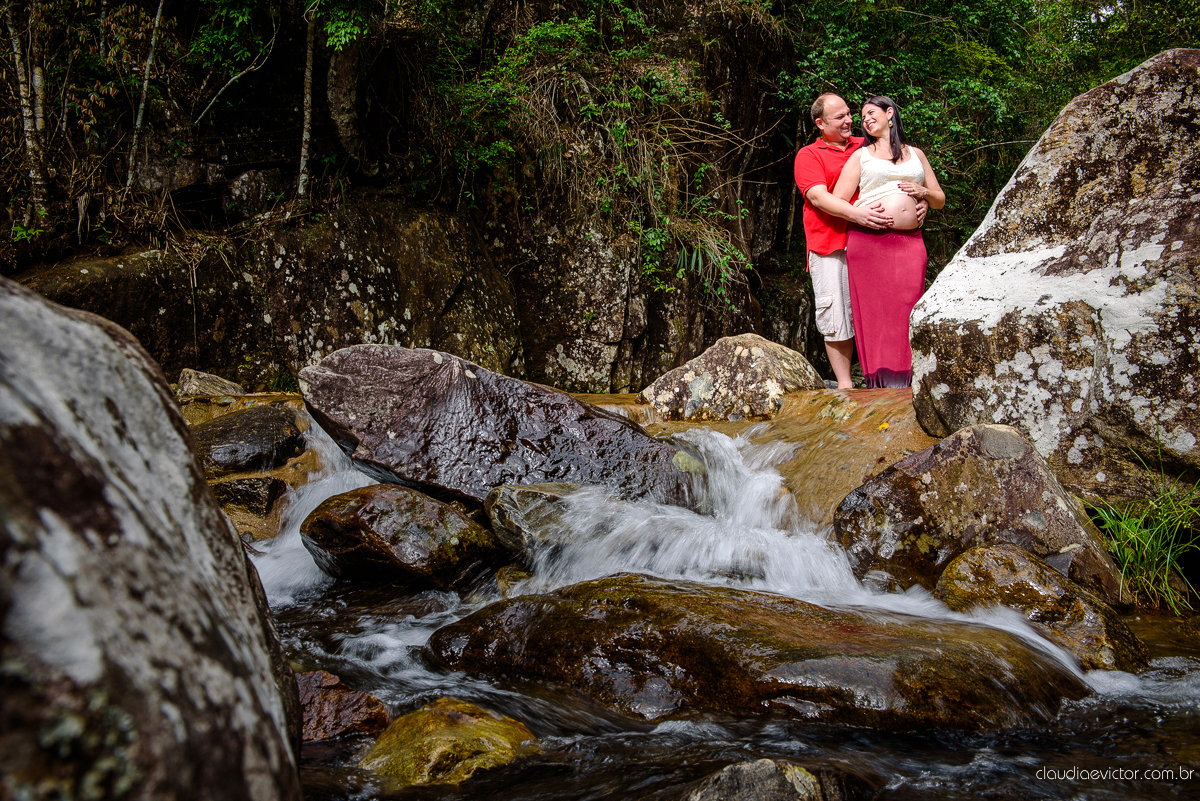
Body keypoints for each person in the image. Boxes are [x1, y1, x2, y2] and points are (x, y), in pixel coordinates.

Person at [832, 96, 944, 388]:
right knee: (875, 315)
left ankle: (909, 382)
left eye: (871, 113)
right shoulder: (862, 156)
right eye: (863, 117)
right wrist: (860, 214)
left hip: (910, 242)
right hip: (869, 242)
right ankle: (879, 385)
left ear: (889, 113)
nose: (866, 120)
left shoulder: (916, 154)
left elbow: (940, 199)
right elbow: (838, 199)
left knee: (908, 309)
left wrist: (924, 195)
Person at [793, 93, 899, 389]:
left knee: (876, 313)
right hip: (830, 245)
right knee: (836, 315)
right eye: (840, 117)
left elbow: (900, 172)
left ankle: (880, 380)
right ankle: (844, 386)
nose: (850, 120)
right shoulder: (809, 155)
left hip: (873, 241)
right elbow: (818, 196)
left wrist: (921, 199)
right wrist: (857, 214)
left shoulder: (866, 144)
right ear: (820, 123)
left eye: (849, 114)